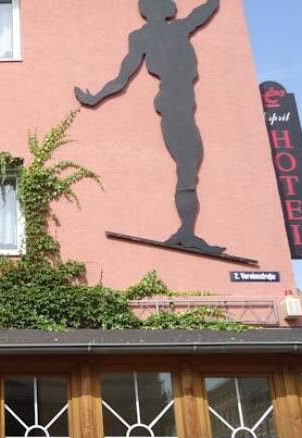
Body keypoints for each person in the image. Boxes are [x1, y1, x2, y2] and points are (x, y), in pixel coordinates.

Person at [75, 0, 224, 254]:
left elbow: (204, 11)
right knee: (188, 167)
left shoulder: (172, 30)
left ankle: (186, 231)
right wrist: (95, 98)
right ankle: (187, 233)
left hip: (179, 104)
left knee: (189, 166)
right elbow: (122, 77)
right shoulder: (156, 34)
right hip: (175, 104)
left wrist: (96, 97)